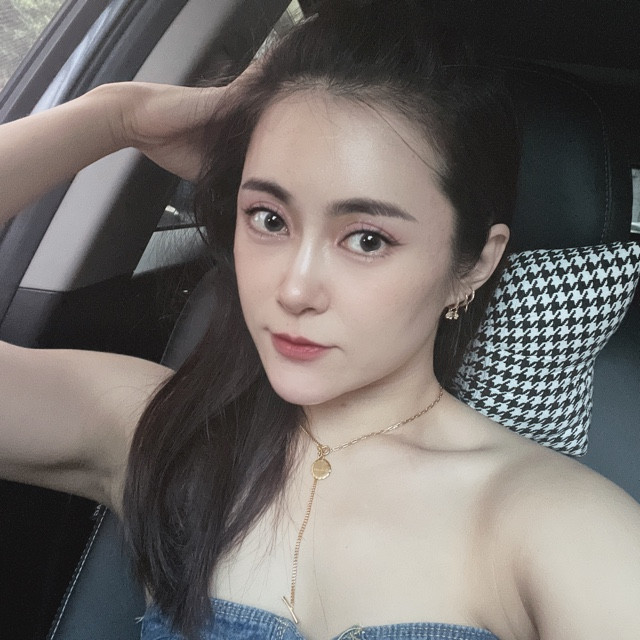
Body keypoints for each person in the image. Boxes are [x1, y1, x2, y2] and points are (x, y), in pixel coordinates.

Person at [1, 1, 639, 639]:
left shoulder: (557, 526)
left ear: (473, 264)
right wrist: (118, 115)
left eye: (367, 239)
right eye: (269, 219)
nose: (295, 289)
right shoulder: (164, 432)